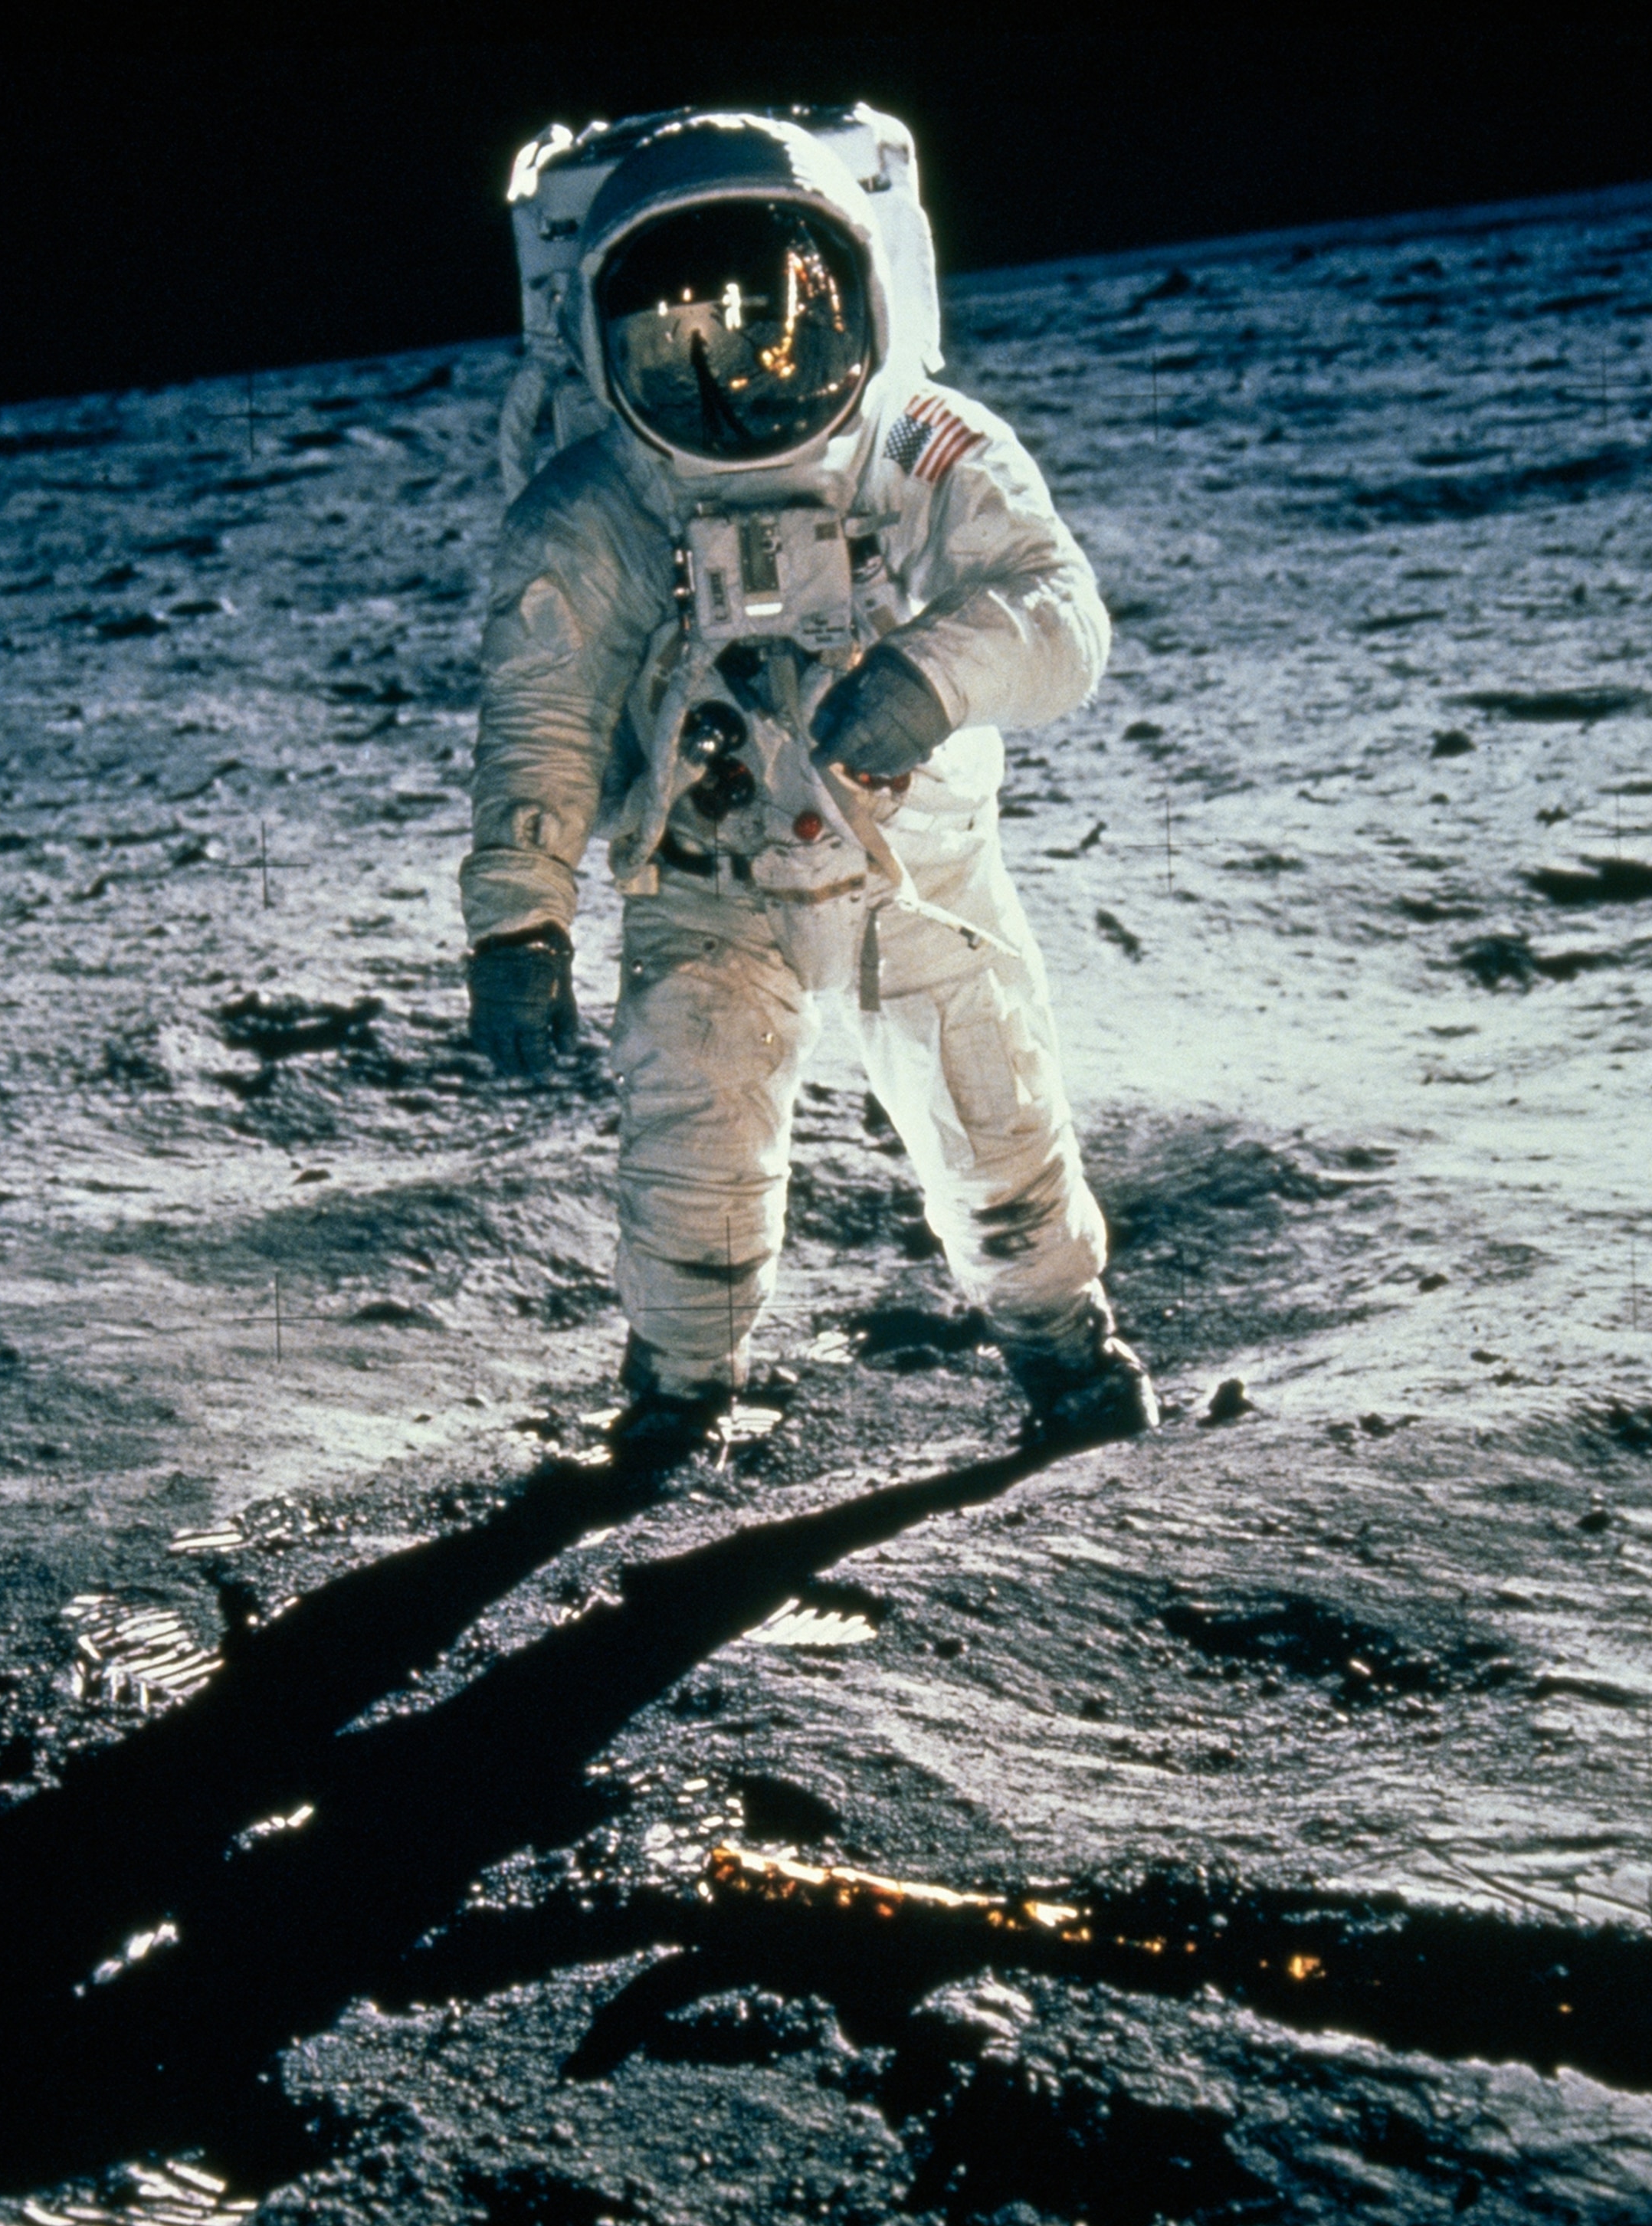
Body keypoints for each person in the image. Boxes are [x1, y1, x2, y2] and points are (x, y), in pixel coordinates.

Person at [461, 108, 1157, 1461]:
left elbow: (1058, 613)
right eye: (680, 336)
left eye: (781, 315)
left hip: (912, 865)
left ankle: (1065, 1346)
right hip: (702, 877)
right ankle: (676, 1393)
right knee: (692, 1152)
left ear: (862, 290)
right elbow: (539, 718)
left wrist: (932, 677)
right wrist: (517, 919)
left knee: (993, 1122)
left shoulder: (927, 448)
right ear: (605, 343)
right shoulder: (596, 507)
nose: (741, 369)